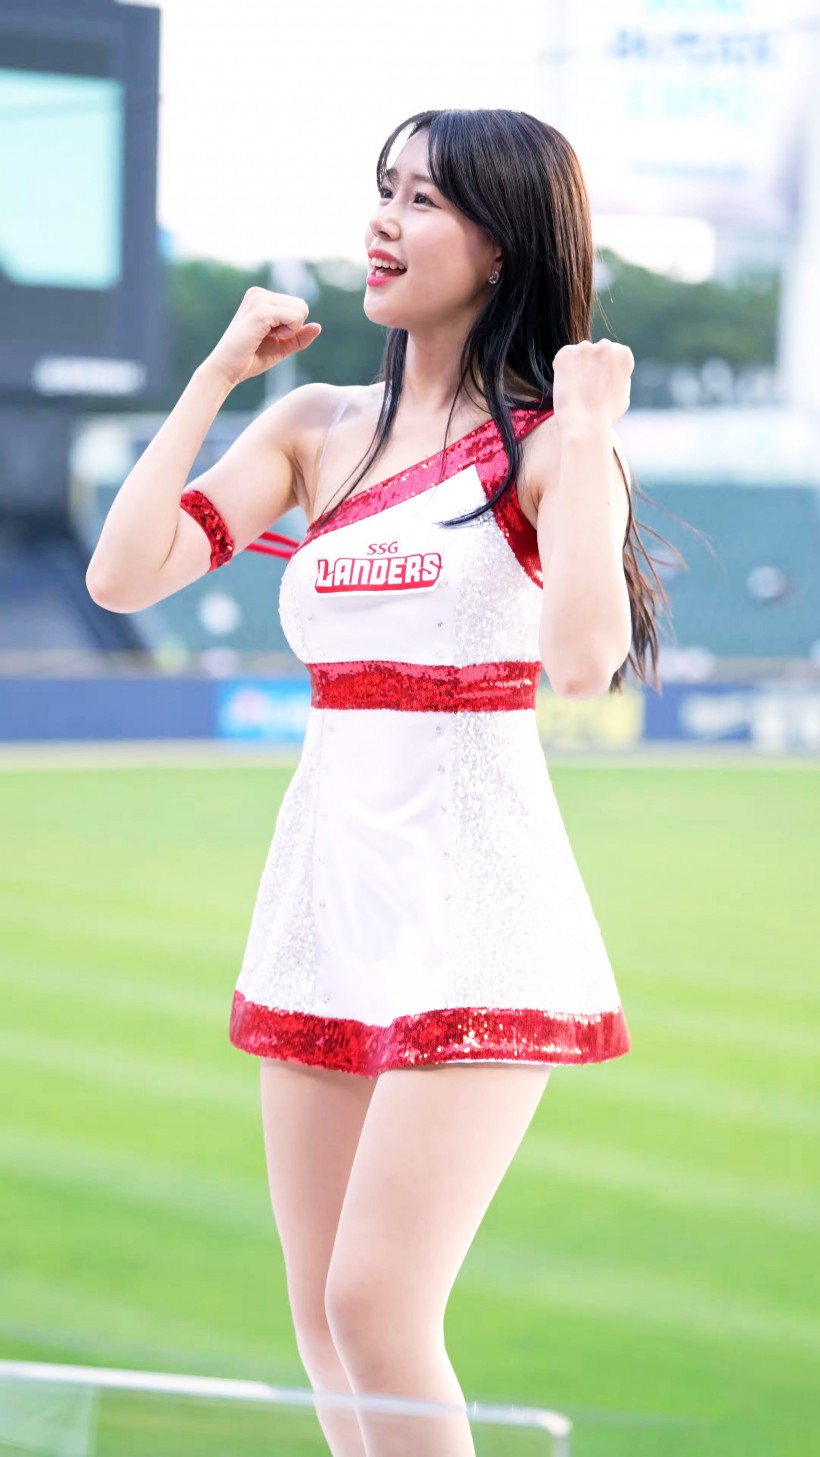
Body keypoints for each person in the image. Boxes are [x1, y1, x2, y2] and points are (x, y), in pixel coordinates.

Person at [87, 108, 671, 1457]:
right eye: (384, 189)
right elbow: (122, 576)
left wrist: (589, 429)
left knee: (377, 1302)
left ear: (502, 244)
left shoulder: (546, 446)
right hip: (326, 896)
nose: (385, 221)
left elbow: (582, 659)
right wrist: (216, 376)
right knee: (319, 1317)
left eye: (425, 199)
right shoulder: (315, 427)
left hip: (477, 903)